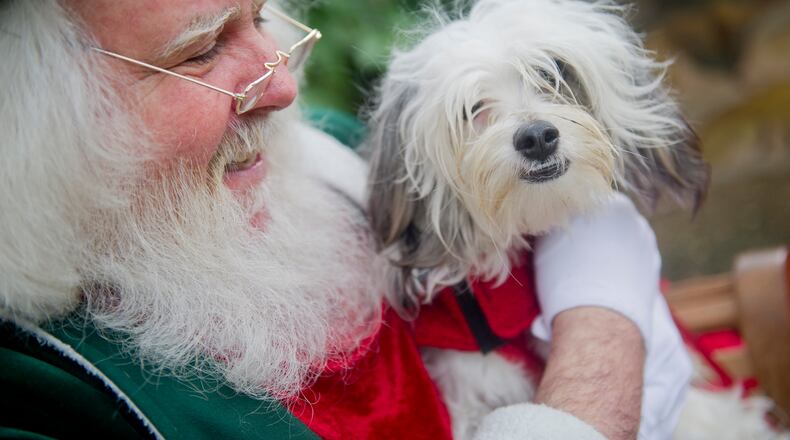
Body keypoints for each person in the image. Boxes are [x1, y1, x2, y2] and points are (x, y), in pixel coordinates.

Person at [0, 1, 689, 439]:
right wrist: (601, 327)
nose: (282, 84)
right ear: (42, 121)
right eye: (202, 50)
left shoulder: (326, 151)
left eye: (259, 17)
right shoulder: (41, 406)